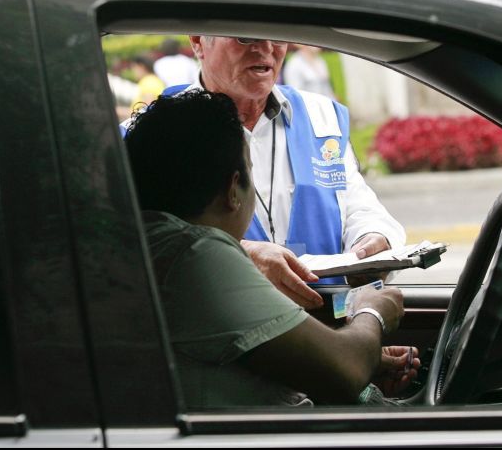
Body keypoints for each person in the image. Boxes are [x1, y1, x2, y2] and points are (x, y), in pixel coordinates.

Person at [124, 90, 418, 408]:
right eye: (252, 170)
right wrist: (372, 311)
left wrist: (365, 355)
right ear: (233, 189)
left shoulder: (144, 245)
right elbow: (345, 369)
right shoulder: (198, 256)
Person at [172, 36, 407, 310]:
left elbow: (359, 205)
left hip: (330, 324)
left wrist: (371, 240)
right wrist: (241, 256)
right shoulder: (157, 130)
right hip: (229, 332)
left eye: (278, 35)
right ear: (198, 41)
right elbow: (146, 242)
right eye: (245, 37)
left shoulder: (321, 115)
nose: (266, 48)